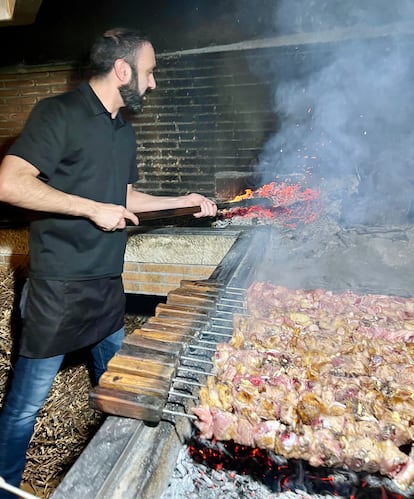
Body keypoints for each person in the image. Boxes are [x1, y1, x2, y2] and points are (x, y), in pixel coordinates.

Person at [0, 27, 217, 495]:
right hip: (58, 287)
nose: (153, 82)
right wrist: (89, 208)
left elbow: (125, 198)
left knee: (121, 391)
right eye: (149, 71)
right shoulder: (57, 113)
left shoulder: (122, 131)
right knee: (24, 408)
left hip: (106, 288)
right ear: (123, 70)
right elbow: (9, 183)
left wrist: (185, 199)